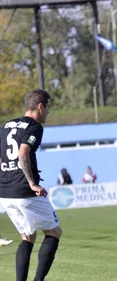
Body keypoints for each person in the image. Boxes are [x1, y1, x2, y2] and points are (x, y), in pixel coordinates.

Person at [0, 89, 62, 281]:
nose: (48, 112)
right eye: (48, 108)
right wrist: (32, 183)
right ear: (40, 107)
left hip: (5, 192)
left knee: (28, 236)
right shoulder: (34, 127)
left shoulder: (5, 126)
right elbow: (23, 153)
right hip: (24, 191)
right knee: (54, 232)